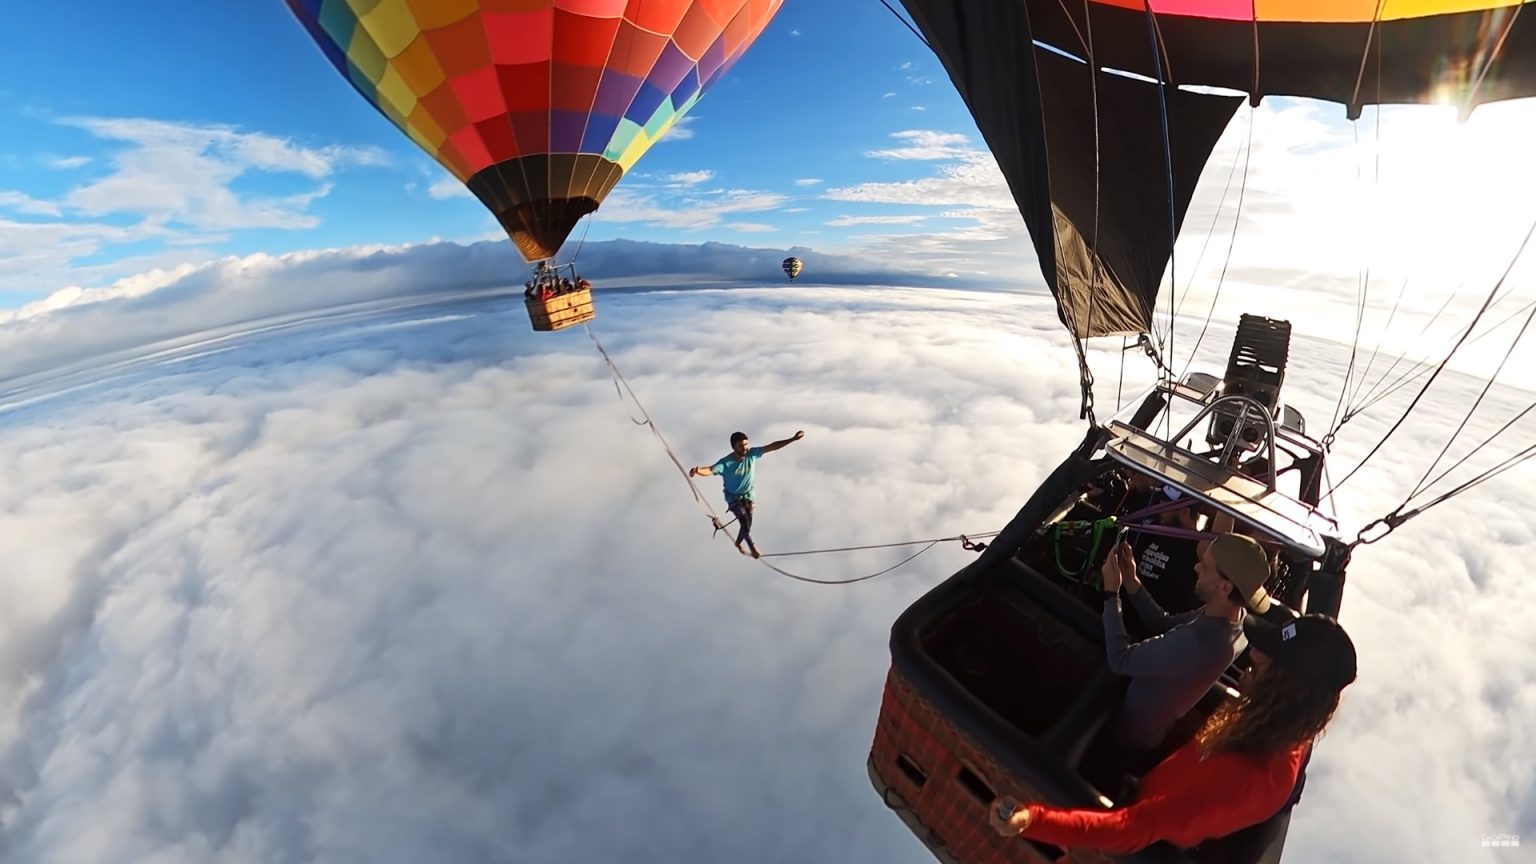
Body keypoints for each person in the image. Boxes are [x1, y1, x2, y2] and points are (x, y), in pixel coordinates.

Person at [991, 611, 1358, 855]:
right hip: (1151, 793)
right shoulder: (1285, 729)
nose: (1251, 661)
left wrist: (1032, 820)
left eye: (1263, 668)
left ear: (1285, 691)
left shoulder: (1244, 778)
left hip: (1141, 828)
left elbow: (1128, 830)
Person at [1096, 530, 1273, 764]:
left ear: (1226, 588)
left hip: (1124, 739)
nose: (1196, 568)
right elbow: (1165, 623)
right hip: (1149, 734)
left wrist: (1111, 593)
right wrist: (1132, 582)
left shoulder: (1197, 643)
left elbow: (1120, 659)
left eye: (1206, 567)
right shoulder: (1235, 618)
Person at [688, 430, 804, 558]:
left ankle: (738, 543)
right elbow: (710, 470)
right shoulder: (726, 463)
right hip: (733, 498)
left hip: (749, 496)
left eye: (746, 444)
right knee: (744, 522)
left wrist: (792, 439)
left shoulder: (752, 454)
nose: (744, 448)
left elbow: (771, 447)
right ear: (733, 447)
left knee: (747, 524)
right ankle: (752, 546)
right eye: (740, 446)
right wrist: (698, 470)